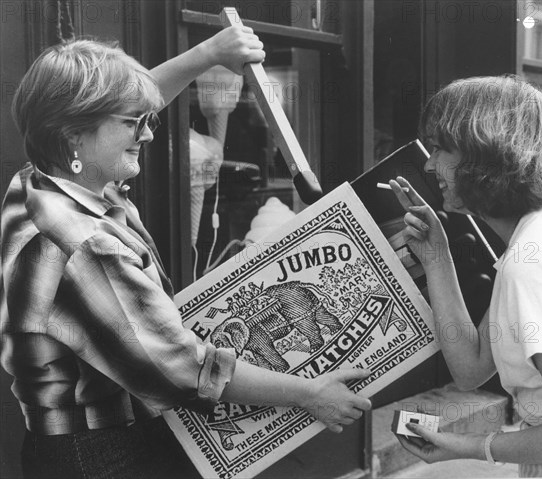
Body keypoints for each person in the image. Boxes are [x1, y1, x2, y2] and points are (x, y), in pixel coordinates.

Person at [0, 30, 371, 479]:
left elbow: (111, 110)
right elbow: (185, 370)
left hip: (71, 446)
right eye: (133, 124)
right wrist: (311, 394)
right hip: (104, 456)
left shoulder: (43, 181)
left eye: (147, 119)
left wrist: (208, 54)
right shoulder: (84, 243)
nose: (148, 133)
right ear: (74, 134)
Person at [390, 75, 542, 477]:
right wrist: (437, 256)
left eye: (439, 149)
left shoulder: (532, 263)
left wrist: (464, 447)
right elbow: (471, 368)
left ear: (484, 155)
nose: (430, 164)